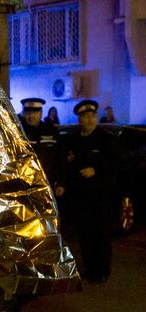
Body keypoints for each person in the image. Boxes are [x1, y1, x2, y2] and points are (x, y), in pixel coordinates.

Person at [55, 100, 118, 284]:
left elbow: (115, 165)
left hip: (100, 197)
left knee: (101, 235)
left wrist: (96, 171)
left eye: (92, 116)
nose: (89, 119)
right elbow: (66, 165)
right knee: (85, 235)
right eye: (85, 116)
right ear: (79, 119)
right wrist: (63, 184)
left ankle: (102, 270)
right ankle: (90, 267)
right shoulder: (73, 140)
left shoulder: (106, 139)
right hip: (80, 197)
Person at [19, 97, 60, 184]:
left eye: (34, 112)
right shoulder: (19, 133)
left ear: (41, 114)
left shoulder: (51, 131)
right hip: (26, 182)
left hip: (49, 180)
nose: (31, 116)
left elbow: (60, 157)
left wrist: (61, 182)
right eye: (28, 113)